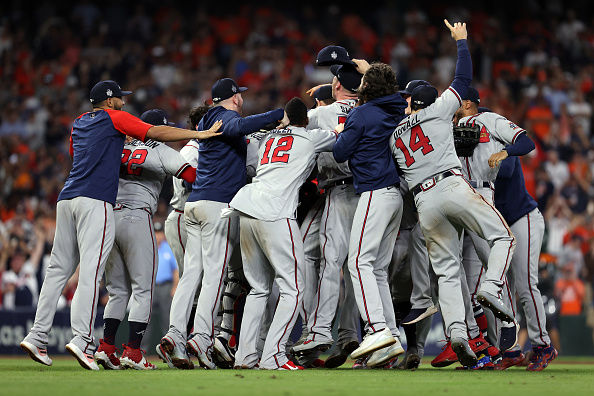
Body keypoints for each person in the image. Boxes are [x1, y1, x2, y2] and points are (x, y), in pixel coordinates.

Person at [20, 80, 222, 370]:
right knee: (117, 281)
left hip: (69, 198)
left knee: (67, 274)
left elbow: (78, 155)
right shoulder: (122, 124)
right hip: (108, 206)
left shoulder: (80, 123)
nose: (124, 103)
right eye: (120, 99)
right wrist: (199, 134)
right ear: (110, 100)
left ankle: (43, 335)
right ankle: (95, 343)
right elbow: (169, 150)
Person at [388, 20, 516, 368]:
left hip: (423, 201)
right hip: (452, 185)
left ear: (413, 101)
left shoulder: (395, 133)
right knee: (503, 237)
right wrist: (461, 42)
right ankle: (490, 288)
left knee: (446, 271)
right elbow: (463, 81)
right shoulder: (441, 111)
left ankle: (458, 332)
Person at [161, 78, 285, 370]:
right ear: (235, 98)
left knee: (192, 274)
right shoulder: (225, 117)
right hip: (217, 206)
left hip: (194, 206)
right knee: (215, 275)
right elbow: (237, 127)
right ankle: (202, 337)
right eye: (239, 94)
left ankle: (176, 333)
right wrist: (277, 114)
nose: (242, 98)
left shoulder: (207, 117)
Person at [229, 97, 340, 370]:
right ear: (305, 120)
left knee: (258, 289)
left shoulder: (267, 138)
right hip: (276, 212)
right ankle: (273, 356)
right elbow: (340, 137)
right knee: (294, 289)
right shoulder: (310, 136)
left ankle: (245, 357)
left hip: (246, 206)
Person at [94, 108, 197, 370]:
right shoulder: (160, 150)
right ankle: (133, 351)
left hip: (109, 217)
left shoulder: (119, 147)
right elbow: (190, 176)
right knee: (142, 290)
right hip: (137, 217)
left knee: (117, 291)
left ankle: (106, 347)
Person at [332, 58, 408, 366]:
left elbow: (339, 152)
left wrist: (341, 129)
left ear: (366, 87)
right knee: (376, 269)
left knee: (358, 262)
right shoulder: (396, 109)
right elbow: (393, 92)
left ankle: (377, 331)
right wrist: (372, 74)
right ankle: (390, 338)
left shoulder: (361, 113)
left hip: (375, 192)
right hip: (395, 196)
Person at [292, 59, 363, 368]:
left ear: (336, 87)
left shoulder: (321, 112)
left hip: (337, 190)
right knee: (363, 268)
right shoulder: (371, 110)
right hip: (374, 195)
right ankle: (354, 333)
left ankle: (318, 331)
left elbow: (288, 125)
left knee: (328, 263)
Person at [494, 154, 558, 371]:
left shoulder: (503, 142)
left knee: (525, 284)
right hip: (502, 224)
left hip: (523, 218)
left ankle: (543, 346)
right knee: (503, 288)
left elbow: (505, 171)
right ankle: (511, 350)